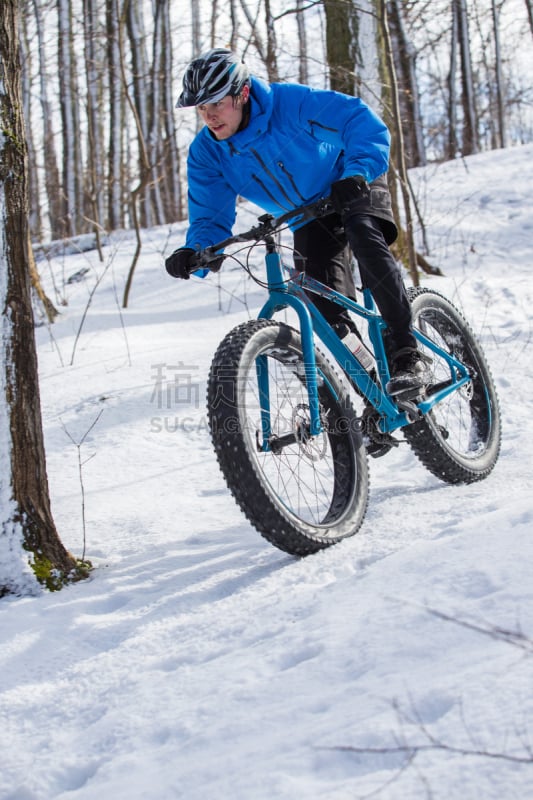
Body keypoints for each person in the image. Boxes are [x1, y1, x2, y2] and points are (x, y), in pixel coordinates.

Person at [165, 48, 429, 395]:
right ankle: (375, 389)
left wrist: (356, 172)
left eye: (216, 103)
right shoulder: (207, 152)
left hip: (351, 181)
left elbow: (358, 121)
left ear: (242, 93)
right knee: (323, 305)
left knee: (364, 236)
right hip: (308, 214)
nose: (209, 116)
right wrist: (197, 251)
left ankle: (407, 352)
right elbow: (209, 212)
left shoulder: (291, 105)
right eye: (202, 108)